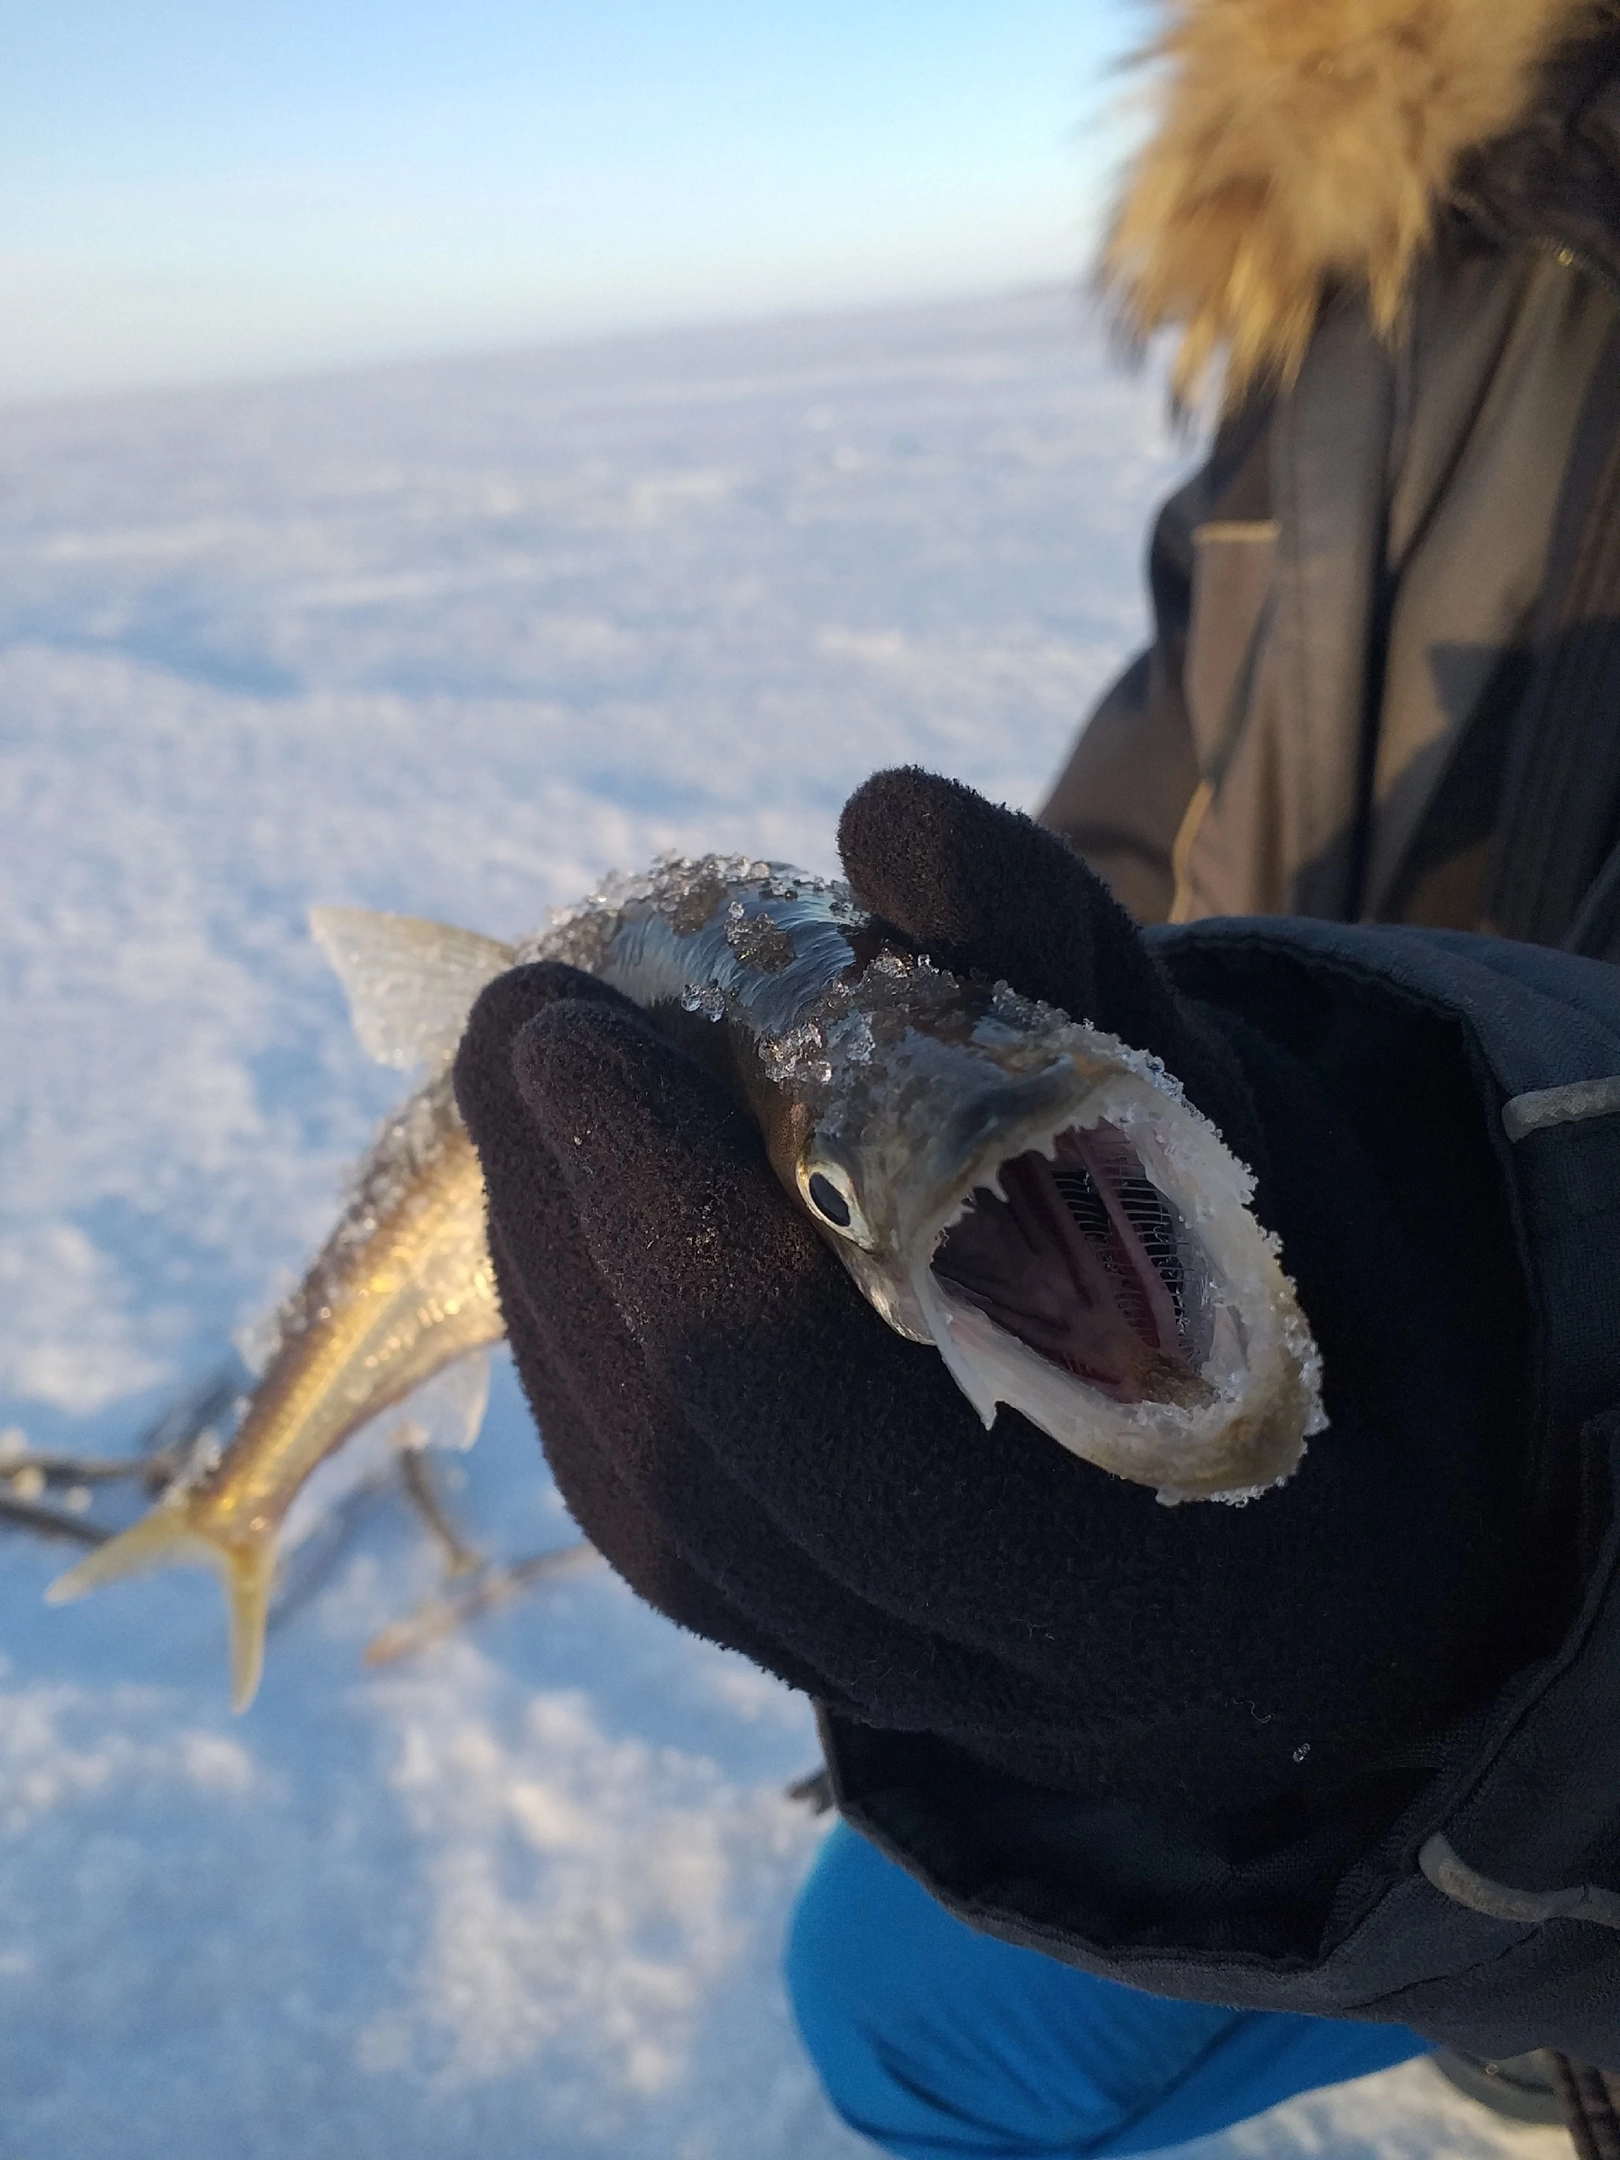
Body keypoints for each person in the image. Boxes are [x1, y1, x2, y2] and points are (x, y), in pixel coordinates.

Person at [454, 4, 1620, 2153]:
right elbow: (1127, 854)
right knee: (899, 2016)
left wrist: (1492, 1356)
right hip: (1286, 1472)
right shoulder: (1359, 252)